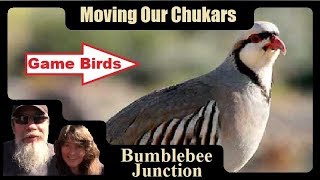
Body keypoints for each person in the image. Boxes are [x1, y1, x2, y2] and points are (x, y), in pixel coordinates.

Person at [3, 105, 58, 176]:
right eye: (22, 119)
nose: (31, 126)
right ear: (13, 126)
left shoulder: (62, 157)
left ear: (48, 123)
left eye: (39, 118)